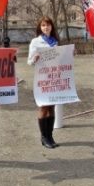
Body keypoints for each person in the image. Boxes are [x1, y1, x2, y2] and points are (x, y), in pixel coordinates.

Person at [27, 16, 59, 149]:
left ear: (52, 26)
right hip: (42, 79)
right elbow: (29, 62)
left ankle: (50, 136)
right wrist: (35, 58)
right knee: (43, 107)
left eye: (48, 25)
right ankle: (43, 137)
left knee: (52, 107)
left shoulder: (55, 41)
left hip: (54, 77)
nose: (46, 28)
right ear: (40, 28)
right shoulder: (35, 42)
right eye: (43, 25)